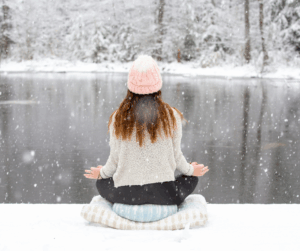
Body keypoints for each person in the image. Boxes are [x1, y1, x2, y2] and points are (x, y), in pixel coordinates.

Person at [84, 55, 209, 206]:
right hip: (165, 197)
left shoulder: (118, 117)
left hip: (126, 196)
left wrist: (102, 174)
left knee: (101, 183)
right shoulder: (172, 115)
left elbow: (114, 160)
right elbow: (176, 157)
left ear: (131, 85)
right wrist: (191, 170)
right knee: (191, 178)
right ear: (158, 85)